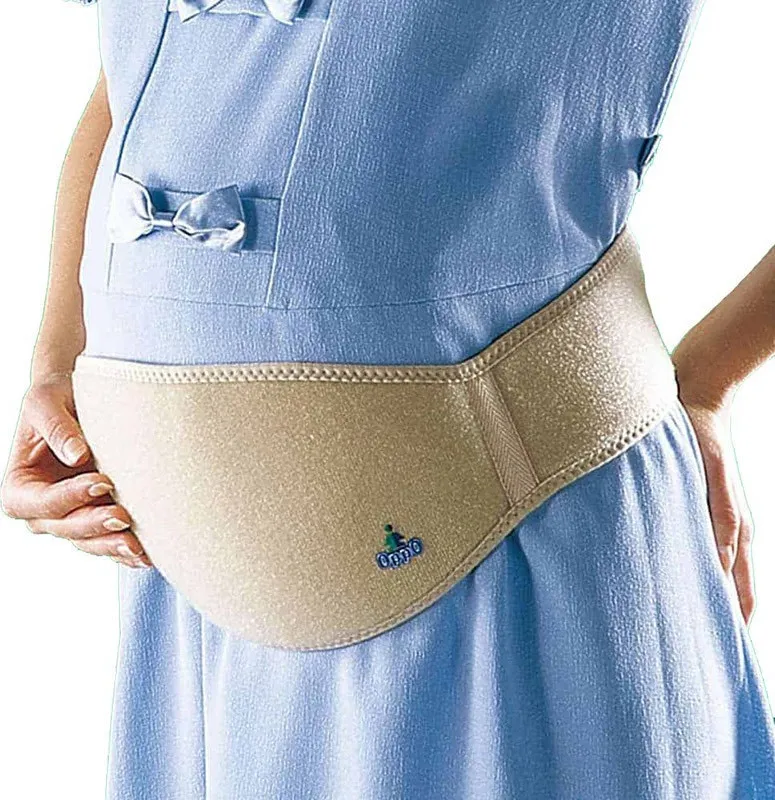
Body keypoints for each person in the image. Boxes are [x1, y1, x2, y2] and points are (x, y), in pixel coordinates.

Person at [2, 0, 775, 796]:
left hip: (510, 538)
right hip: (182, 594)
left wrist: (706, 380)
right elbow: (126, 81)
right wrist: (58, 358)